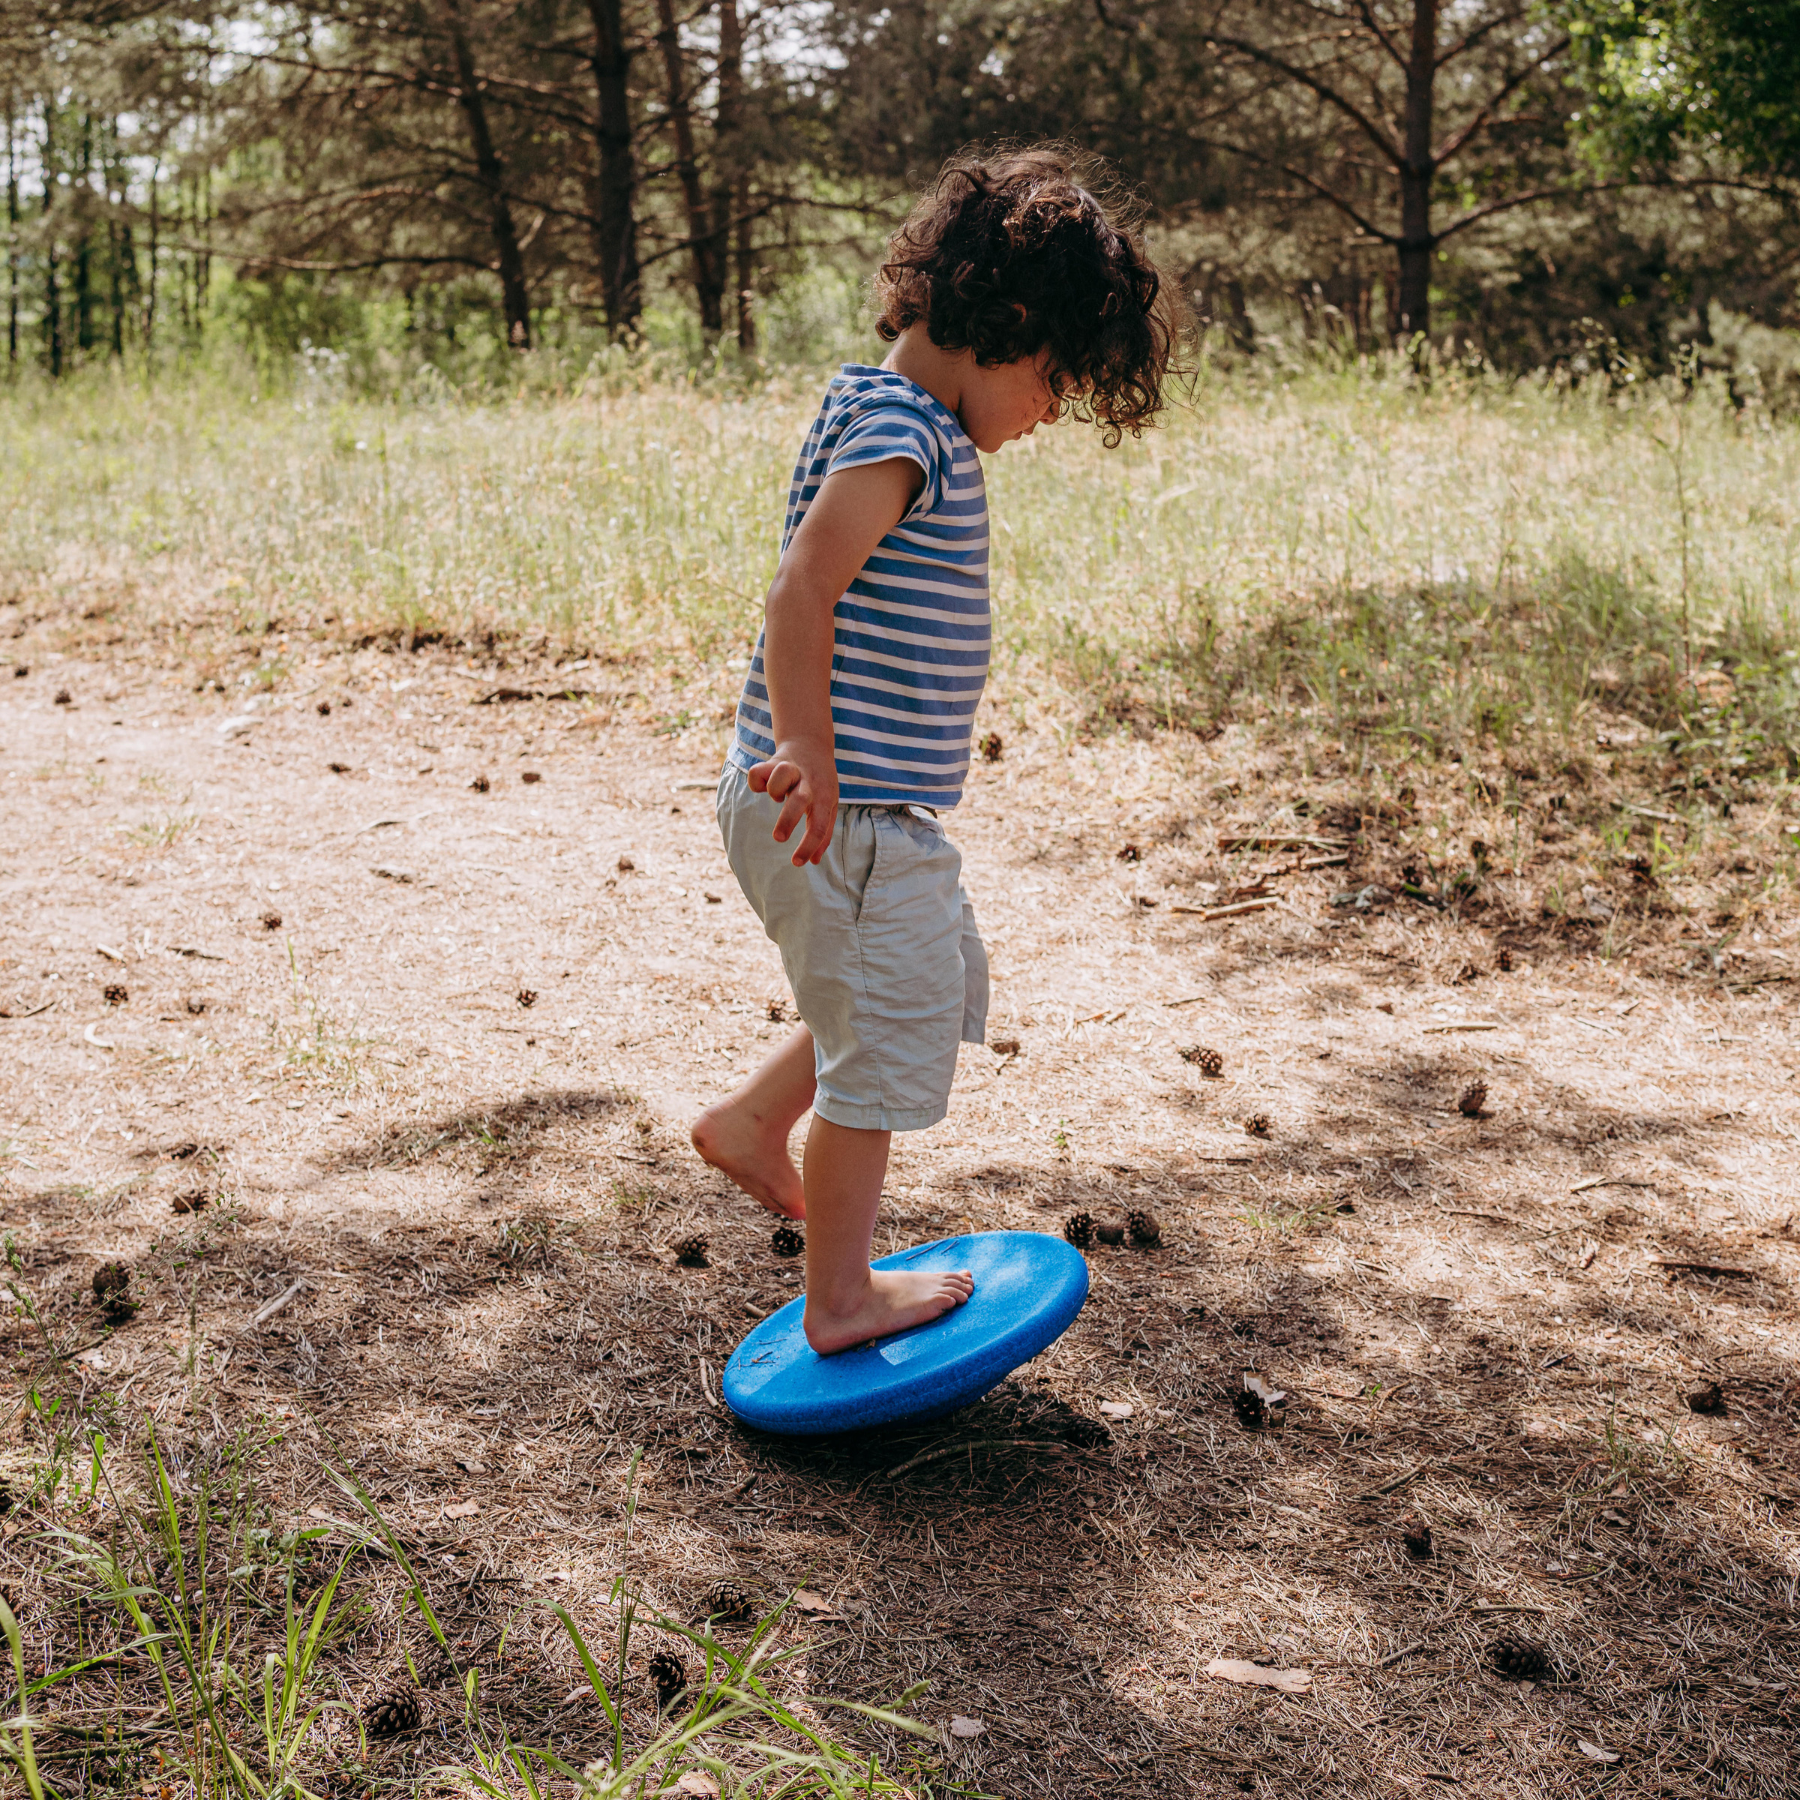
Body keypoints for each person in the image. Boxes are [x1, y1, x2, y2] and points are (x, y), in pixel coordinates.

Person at [691, 144, 1178, 1354]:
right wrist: (813, 743)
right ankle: (839, 1298)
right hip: (835, 811)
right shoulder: (905, 429)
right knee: (885, 1044)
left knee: (926, 987)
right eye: (1057, 381)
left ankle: (754, 1120)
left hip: (865, 817)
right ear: (1009, 322)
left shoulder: (896, 413)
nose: (1051, 411)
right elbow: (803, 587)